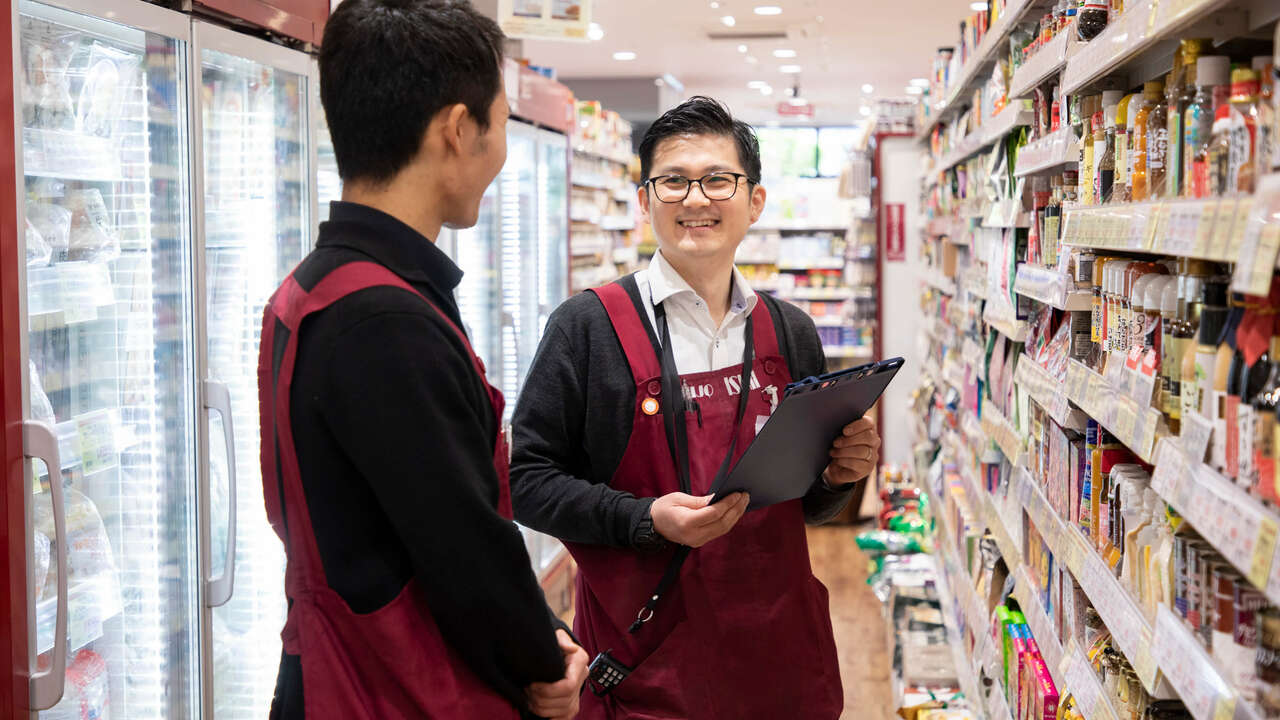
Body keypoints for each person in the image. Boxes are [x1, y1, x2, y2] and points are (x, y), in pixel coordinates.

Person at [257, 1, 587, 718]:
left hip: (331, 666)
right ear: (458, 130)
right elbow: (462, 543)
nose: (500, 149)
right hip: (393, 688)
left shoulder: (316, 286)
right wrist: (545, 657)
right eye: (499, 124)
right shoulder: (383, 319)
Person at [510, 96, 882, 719]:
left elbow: (811, 505)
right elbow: (527, 481)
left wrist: (840, 475)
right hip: (651, 670)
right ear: (644, 199)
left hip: (781, 663)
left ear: (753, 200)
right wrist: (645, 518)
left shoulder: (790, 333)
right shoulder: (588, 328)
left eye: (717, 180)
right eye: (673, 181)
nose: (695, 198)